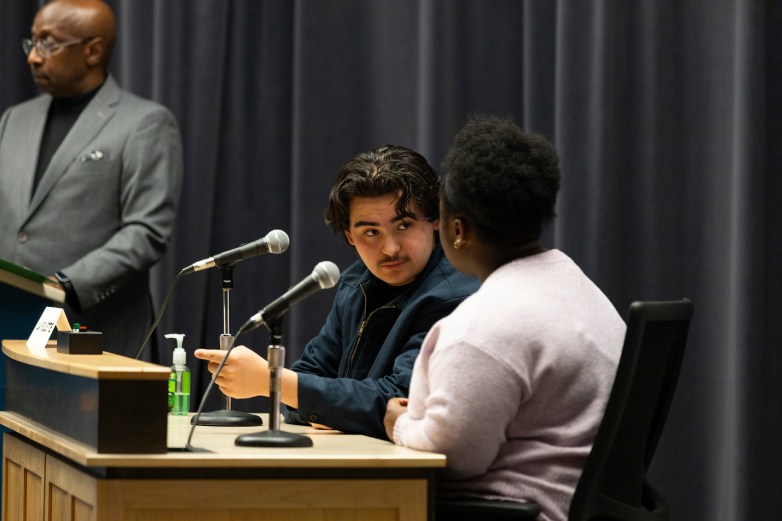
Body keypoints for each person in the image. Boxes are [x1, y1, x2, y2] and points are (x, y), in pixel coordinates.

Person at [383, 115, 627, 521]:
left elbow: (455, 456)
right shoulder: (577, 285)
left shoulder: (481, 328)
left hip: (510, 511)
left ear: (457, 229)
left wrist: (401, 424)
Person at [195, 145, 479, 439]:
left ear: (435, 220)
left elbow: (402, 404)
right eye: (371, 232)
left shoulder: (453, 296)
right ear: (349, 236)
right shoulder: (356, 282)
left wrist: (276, 381)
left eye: (404, 225)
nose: (390, 248)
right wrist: (328, 405)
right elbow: (309, 375)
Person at [0, 0, 183, 359]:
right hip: (9, 329)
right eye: (32, 42)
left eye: (48, 44)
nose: (33, 57)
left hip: (95, 340)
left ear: (93, 50)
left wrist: (64, 284)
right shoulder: (12, 121)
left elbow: (146, 232)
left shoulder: (144, 123)